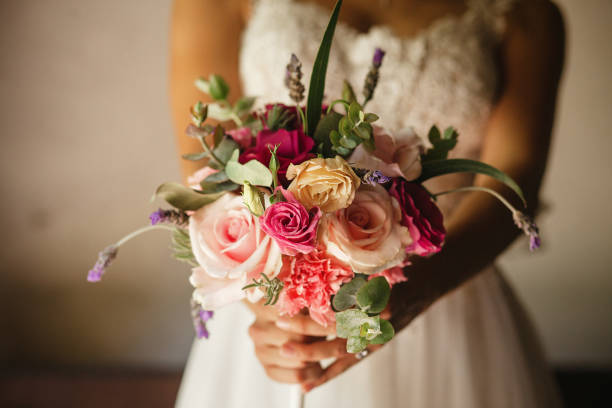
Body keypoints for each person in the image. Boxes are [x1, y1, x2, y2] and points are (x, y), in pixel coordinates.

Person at [170, 0, 565, 406]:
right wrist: (266, 303)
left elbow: (515, 179)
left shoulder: (524, 13)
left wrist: (417, 290)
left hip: (447, 292)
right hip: (277, 311)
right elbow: (208, 160)